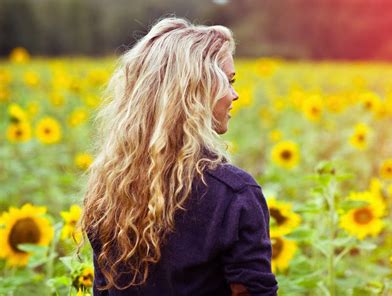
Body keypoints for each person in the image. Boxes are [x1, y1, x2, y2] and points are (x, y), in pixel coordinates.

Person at [80, 16, 278, 295]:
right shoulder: (233, 194)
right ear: (194, 90)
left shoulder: (109, 187)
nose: (234, 95)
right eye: (228, 81)